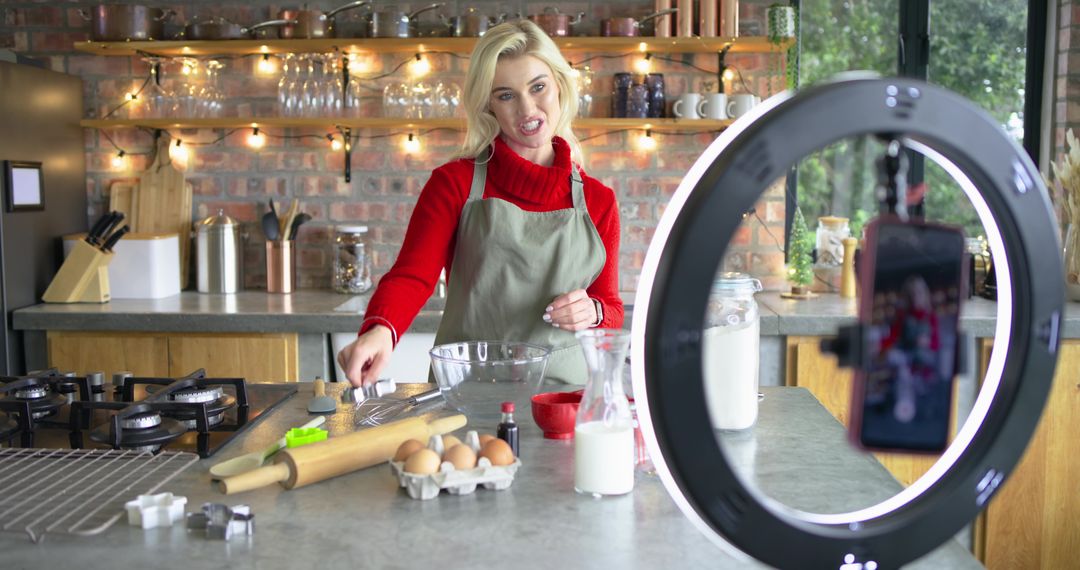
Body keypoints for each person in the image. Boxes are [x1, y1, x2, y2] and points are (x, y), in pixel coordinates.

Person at [337, 20, 624, 387]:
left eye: (538, 87)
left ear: (560, 86)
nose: (527, 108)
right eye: (505, 95)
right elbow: (413, 276)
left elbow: (611, 308)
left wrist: (593, 310)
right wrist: (381, 330)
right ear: (488, 105)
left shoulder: (598, 201)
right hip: (467, 389)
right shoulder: (453, 184)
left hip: (562, 397)